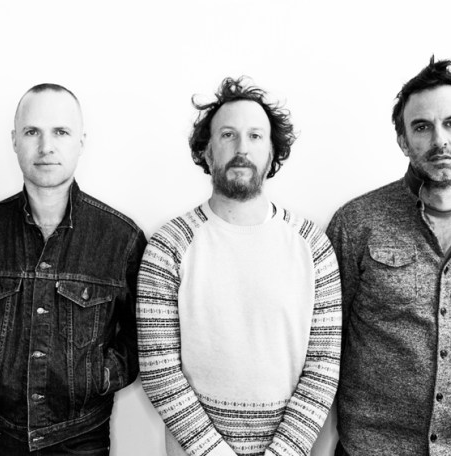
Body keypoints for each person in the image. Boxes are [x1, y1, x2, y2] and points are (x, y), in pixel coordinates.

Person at [137, 77, 342, 456]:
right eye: (228, 135)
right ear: (207, 151)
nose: (242, 148)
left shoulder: (313, 245)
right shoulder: (168, 246)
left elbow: (323, 367)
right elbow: (158, 368)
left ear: (273, 153)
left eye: (255, 136)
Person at [0, 83, 146, 456]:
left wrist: (100, 377)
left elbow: (141, 337)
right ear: (14, 140)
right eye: (32, 132)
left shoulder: (121, 237)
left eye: (60, 132)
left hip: (81, 440)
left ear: (81, 142)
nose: (46, 146)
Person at [328, 57, 451, 455]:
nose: (440, 139)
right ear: (403, 141)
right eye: (422, 127)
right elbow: (324, 341)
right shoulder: (357, 222)